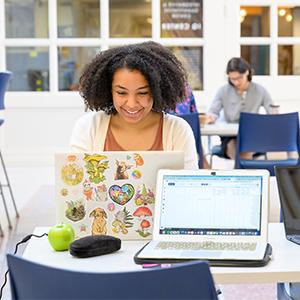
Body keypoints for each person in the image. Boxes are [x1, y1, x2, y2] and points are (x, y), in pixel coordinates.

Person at [70, 41, 199, 169]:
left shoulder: (177, 130)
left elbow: (190, 186)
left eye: (142, 93)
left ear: (156, 91)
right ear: (109, 90)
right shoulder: (88, 127)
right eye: (121, 92)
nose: (131, 104)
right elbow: (75, 183)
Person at [206, 57, 274, 159]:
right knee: (236, 148)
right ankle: (245, 170)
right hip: (230, 137)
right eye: (232, 79)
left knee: (246, 149)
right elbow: (213, 112)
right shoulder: (223, 91)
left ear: (247, 72)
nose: (236, 82)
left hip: (253, 135)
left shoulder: (260, 90)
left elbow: (272, 111)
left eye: (239, 78)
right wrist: (211, 117)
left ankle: (242, 170)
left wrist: (273, 116)